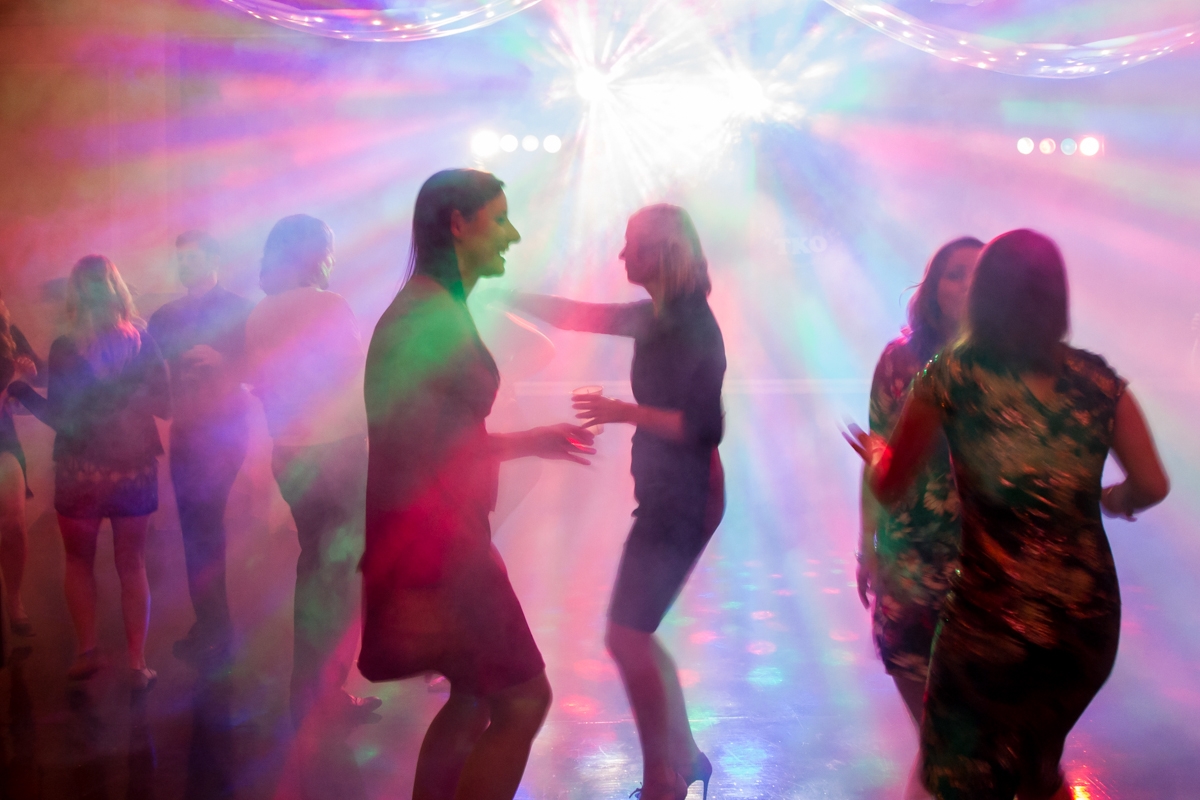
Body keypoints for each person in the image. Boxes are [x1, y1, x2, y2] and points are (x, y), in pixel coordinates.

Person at [848, 229, 1170, 800]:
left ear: (985, 297)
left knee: (960, 776)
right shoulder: (1099, 381)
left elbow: (893, 484)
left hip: (989, 621)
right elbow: (1153, 484)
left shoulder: (950, 375)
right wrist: (1114, 501)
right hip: (1083, 625)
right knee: (1036, 768)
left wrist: (876, 453)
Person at [357, 169, 593, 800]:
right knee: (523, 702)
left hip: (440, 539)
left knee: (471, 699)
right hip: (444, 546)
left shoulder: (436, 305)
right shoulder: (426, 316)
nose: (512, 235)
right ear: (458, 224)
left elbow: (436, 442)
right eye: (501, 218)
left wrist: (528, 441)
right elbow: (416, 454)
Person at [511, 204, 726, 800]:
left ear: (664, 251)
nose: (622, 254)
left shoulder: (690, 325)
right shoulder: (658, 316)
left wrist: (621, 411)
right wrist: (507, 294)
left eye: (632, 243)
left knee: (626, 637)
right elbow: (580, 315)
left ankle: (664, 778)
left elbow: (703, 427)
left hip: (683, 498)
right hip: (670, 495)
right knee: (637, 634)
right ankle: (685, 759)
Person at [858, 237, 982, 799]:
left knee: (964, 737)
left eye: (979, 273)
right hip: (909, 554)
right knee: (937, 738)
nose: (968, 284)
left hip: (986, 561)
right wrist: (868, 543)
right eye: (956, 274)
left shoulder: (1013, 363)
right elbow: (876, 454)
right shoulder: (901, 362)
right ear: (933, 290)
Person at [9, 255, 170, 690]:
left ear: (75, 296)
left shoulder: (66, 347)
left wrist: (20, 390)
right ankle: (137, 664)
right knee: (132, 564)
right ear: (118, 290)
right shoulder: (143, 341)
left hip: (80, 472)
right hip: (133, 469)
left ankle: (87, 651)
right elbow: (165, 404)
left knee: (78, 562)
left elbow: (62, 418)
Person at [244, 214, 379, 726]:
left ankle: (308, 690)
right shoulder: (330, 305)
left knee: (314, 567)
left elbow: (262, 386)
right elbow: (355, 377)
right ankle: (327, 693)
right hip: (336, 451)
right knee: (341, 576)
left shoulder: (260, 313)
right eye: (330, 249)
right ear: (316, 254)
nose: (333, 259)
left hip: (290, 454)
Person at [148, 231, 254, 670]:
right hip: (187, 429)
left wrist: (225, 362)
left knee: (204, 528)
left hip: (224, 430)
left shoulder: (240, 309)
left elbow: (266, 365)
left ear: (214, 259)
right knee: (195, 530)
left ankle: (217, 629)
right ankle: (210, 624)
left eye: (191, 258)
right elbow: (151, 373)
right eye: (180, 259)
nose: (183, 266)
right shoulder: (165, 317)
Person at [0, 290, 46, 640]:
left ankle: (14, 599)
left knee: (14, 524)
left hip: (3, 440)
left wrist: (28, 370)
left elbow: (41, 376)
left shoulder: (9, 332)